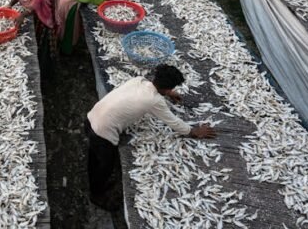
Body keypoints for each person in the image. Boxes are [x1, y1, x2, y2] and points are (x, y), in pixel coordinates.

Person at [85, 65, 216, 209]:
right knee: (106, 165)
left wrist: (169, 93)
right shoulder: (154, 101)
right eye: (169, 89)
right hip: (103, 133)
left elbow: (154, 88)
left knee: (94, 156)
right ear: (166, 88)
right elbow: (174, 122)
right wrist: (193, 131)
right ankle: (96, 195)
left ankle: (93, 180)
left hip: (91, 118)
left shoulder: (138, 80)